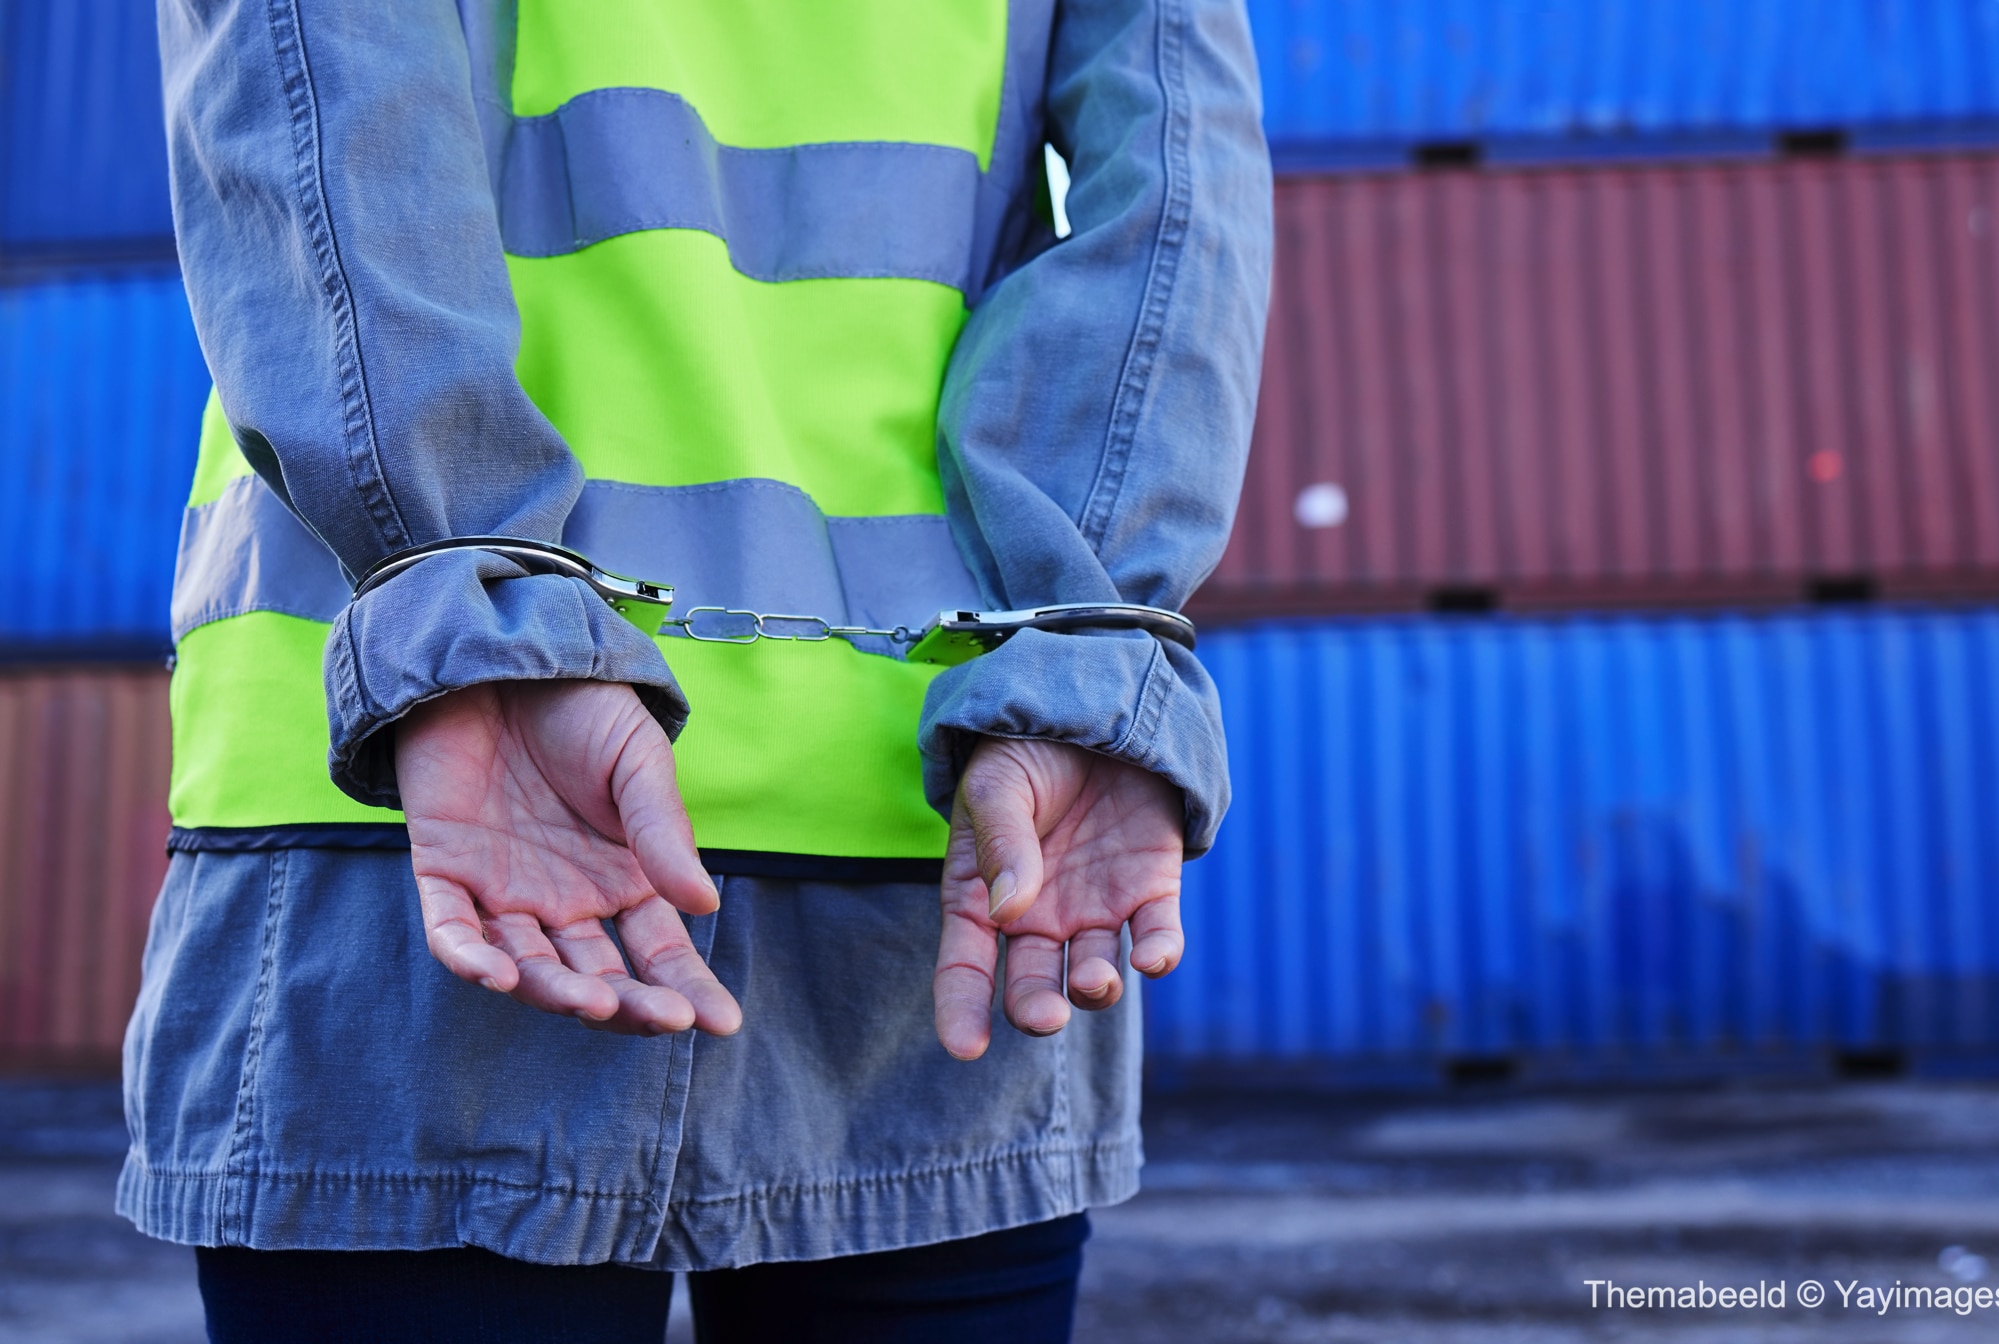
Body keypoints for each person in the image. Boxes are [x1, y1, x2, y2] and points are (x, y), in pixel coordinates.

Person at [124, 0, 1270, 1339]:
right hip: (947, 810)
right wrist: (1094, 629)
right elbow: (1172, 192)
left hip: (424, 771)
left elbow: (313, 90)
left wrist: (460, 588)